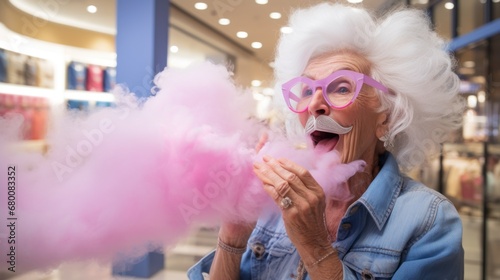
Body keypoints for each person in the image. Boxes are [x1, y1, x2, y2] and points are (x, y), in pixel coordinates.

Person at [188, 3, 464, 279]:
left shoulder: (428, 221)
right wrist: (233, 239)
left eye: (342, 87)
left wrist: (316, 246)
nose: (315, 104)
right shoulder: (271, 200)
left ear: (387, 116)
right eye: (307, 89)